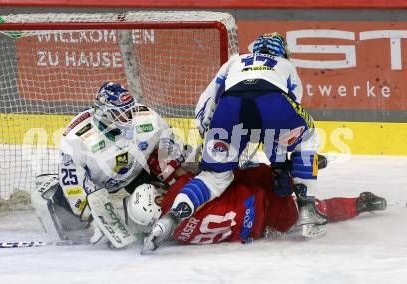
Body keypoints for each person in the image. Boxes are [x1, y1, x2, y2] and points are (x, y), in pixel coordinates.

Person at [143, 32, 324, 252]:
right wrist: (279, 165)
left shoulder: (235, 60)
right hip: (272, 102)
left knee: (214, 177)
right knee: (309, 136)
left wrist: (209, 137)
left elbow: (207, 100)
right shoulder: (286, 65)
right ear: (282, 52)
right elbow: (284, 128)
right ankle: (307, 209)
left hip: (229, 110)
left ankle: (170, 219)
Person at [32, 82, 185, 245]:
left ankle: (146, 225)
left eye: (130, 110)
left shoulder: (148, 119)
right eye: (121, 113)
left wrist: (178, 175)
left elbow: (169, 146)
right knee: (72, 227)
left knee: (156, 204)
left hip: (134, 174)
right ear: (103, 114)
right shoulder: (76, 138)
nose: (129, 117)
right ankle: (58, 195)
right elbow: (73, 187)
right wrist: (91, 218)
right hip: (92, 185)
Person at [128, 164, 387, 249]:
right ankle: (302, 166)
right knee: (244, 171)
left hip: (263, 226)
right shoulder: (176, 196)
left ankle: (358, 203)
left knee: (312, 210)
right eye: (157, 193)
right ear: (158, 201)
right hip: (261, 195)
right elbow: (206, 177)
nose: (161, 191)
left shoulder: (176, 237)